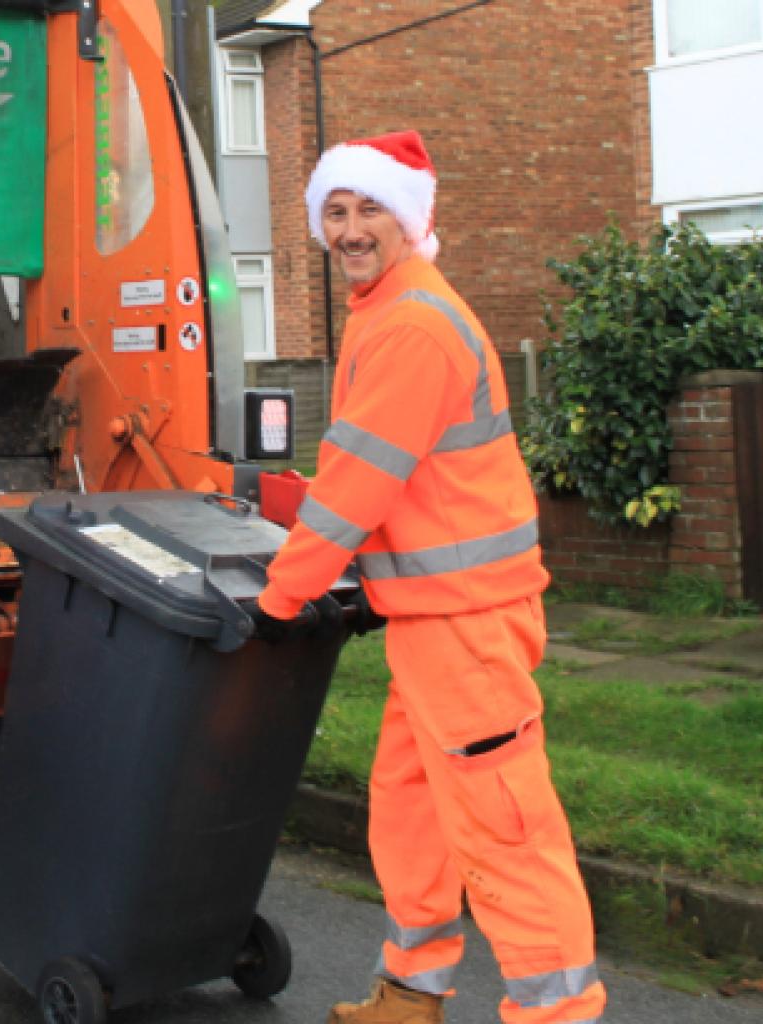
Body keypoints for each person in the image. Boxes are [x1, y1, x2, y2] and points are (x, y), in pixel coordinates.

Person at [252, 130, 606, 1024]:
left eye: (370, 208)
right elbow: (385, 480)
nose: (350, 228)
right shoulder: (388, 308)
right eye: (335, 212)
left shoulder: (411, 322)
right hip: (436, 618)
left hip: (467, 625)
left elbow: (356, 482)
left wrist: (282, 596)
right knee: (412, 812)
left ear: (409, 219)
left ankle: (557, 1015)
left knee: (504, 827)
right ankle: (412, 992)